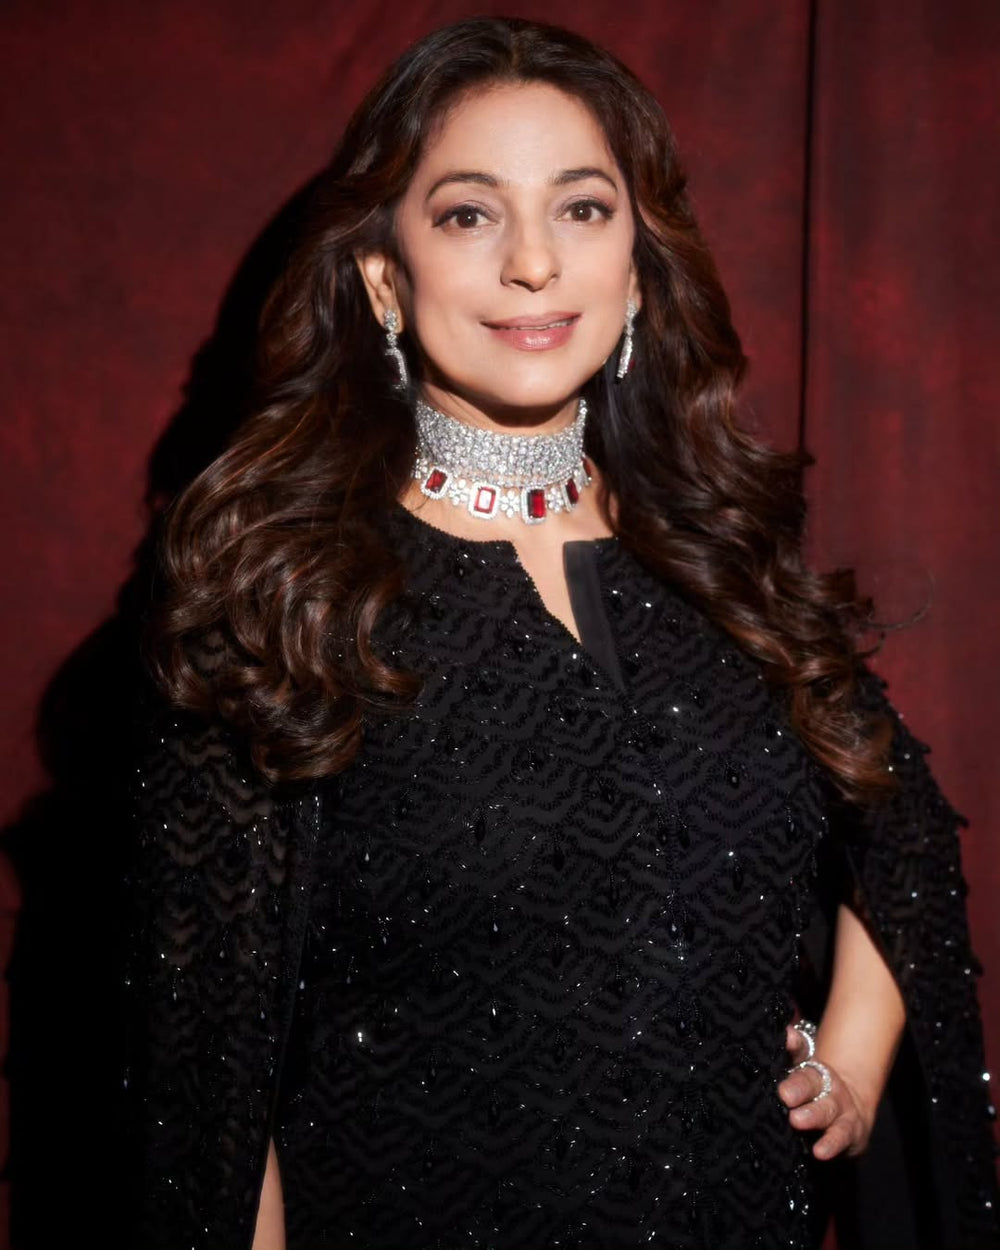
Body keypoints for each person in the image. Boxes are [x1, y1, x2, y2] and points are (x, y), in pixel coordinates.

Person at [124, 16, 999, 1250]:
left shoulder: (718, 569)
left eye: (582, 209)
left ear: (636, 267)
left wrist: (848, 1066)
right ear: (382, 277)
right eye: (468, 214)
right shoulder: (285, 599)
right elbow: (207, 1095)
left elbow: (900, 819)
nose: (534, 263)